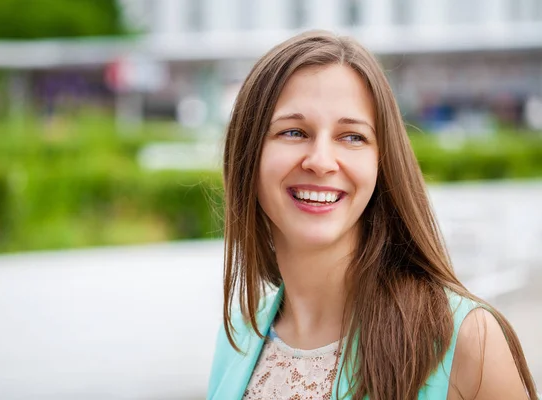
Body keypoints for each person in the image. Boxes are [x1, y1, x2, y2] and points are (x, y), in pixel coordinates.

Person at [207, 30, 538, 400]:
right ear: (247, 155)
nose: (320, 161)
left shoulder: (466, 339)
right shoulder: (238, 337)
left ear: (382, 163)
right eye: (294, 131)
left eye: (352, 137)